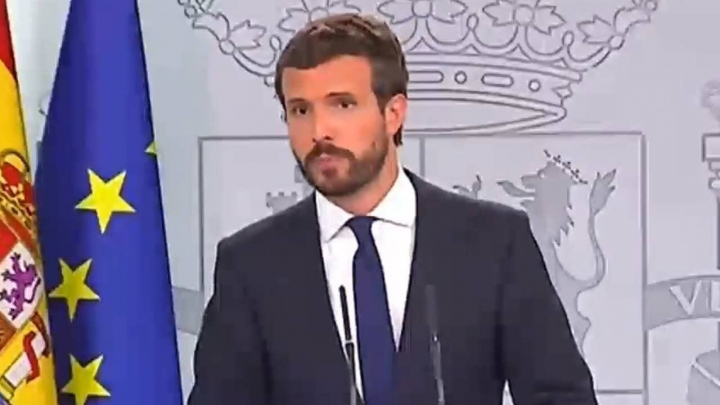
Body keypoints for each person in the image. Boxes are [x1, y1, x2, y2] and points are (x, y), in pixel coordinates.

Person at [188, 13, 598, 405]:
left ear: (393, 113)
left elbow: (562, 398)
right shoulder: (251, 265)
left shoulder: (493, 243)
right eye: (300, 110)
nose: (319, 131)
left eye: (342, 105)